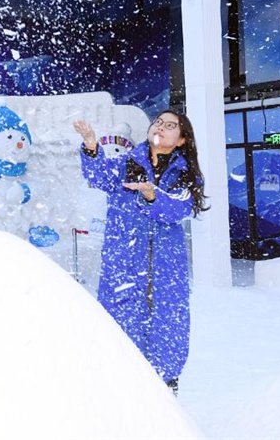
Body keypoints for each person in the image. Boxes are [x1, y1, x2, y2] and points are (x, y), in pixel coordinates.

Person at [73, 110, 208, 395]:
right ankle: (121, 395)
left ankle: (164, 391)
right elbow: (98, 176)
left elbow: (177, 210)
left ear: (181, 140)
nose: (161, 126)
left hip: (165, 271)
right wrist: (90, 145)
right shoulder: (126, 163)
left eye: (170, 125)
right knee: (120, 329)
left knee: (167, 328)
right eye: (158, 121)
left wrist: (151, 195)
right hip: (123, 264)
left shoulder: (186, 175)